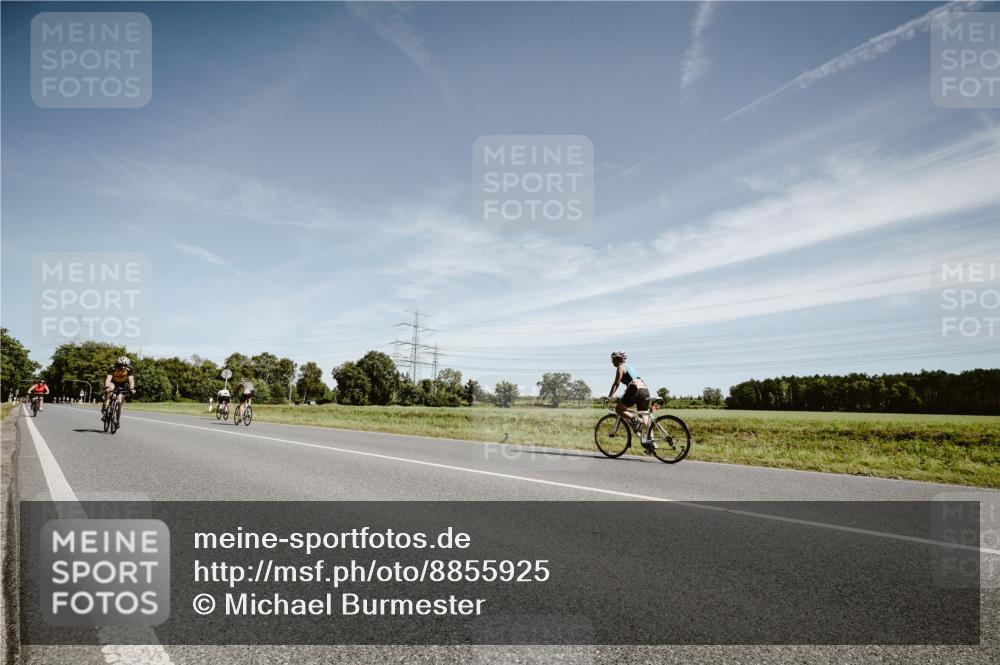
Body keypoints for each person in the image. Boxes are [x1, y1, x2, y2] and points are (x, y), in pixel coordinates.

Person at [606, 351, 654, 451]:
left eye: (613, 359)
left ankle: (634, 419)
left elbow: (616, 383)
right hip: (644, 390)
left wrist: (610, 397)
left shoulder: (621, 367)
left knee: (619, 409)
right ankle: (651, 443)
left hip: (635, 389)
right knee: (645, 419)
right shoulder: (630, 367)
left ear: (619, 359)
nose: (612, 361)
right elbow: (633, 380)